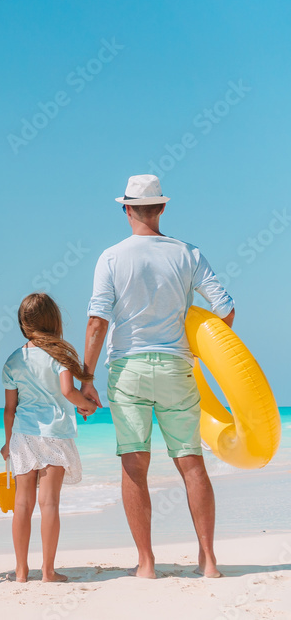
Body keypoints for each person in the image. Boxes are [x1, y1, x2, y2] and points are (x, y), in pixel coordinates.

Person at [80, 174, 235, 579]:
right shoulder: (188, 253)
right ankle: (209, 561)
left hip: (127, 368)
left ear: (126, 209)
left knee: (134, 465)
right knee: (191, 462)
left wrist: (86, 378)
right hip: (176, 366)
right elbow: (225, 309)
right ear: (162, 208)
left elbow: (97, 321)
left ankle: (146, 563)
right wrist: (203, 352)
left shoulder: (111, 257)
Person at [0, 293, 98, 583]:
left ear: (23, 323)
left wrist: (8, 443)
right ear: (54, 320)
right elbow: (68, 391)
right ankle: (48, 571)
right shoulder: (61, 354)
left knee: (22, 504)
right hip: (54, 435)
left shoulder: (14, 359)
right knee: (50, 504)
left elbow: (9, 410)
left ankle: (20, 571)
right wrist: (88, 405)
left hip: (23, 436)